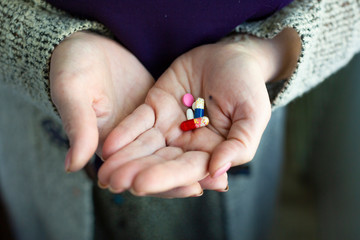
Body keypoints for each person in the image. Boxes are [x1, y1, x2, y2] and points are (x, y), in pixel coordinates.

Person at [0, 0, 359, 239]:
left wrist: (269, 52)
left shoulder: (204, 115)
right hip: (35, 138)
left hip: (233, 118)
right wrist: (45, 46)